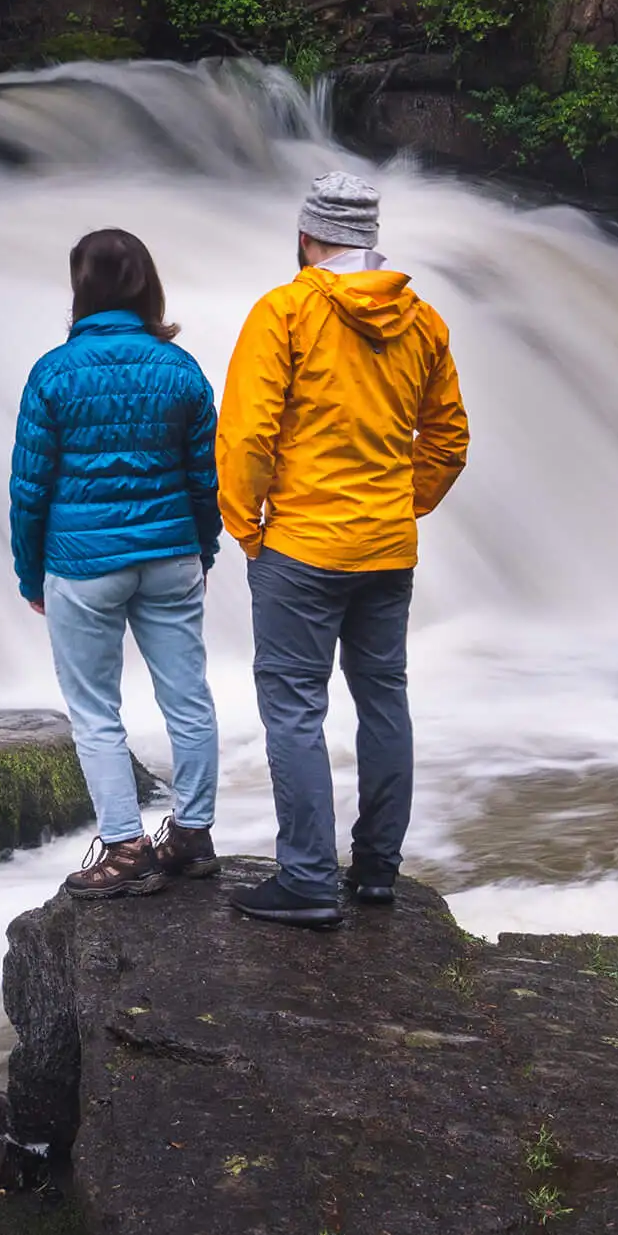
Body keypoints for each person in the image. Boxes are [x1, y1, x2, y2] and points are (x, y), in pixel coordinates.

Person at [215, 173, 468, 927]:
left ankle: (307, 879)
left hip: (302, 547)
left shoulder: (284, 311)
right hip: (388, 550)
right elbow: (449, 438)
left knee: (294, 708)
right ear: (370, 240)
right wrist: (400, 503)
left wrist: (247, 525)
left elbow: (248, 433)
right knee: (383, 699)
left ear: (305, 236)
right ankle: (379, 870)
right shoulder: (421, 319)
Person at [11, 228, 223, 899]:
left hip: (83, 562)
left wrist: (28, 572)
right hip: (170, 555)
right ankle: (191, 834)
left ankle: (126, 845)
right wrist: (205, 546)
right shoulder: (180, 367)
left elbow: (29, 488)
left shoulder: (53, 373)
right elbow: (204, 477)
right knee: (187, 697)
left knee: (96, 710)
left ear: (82, 290)